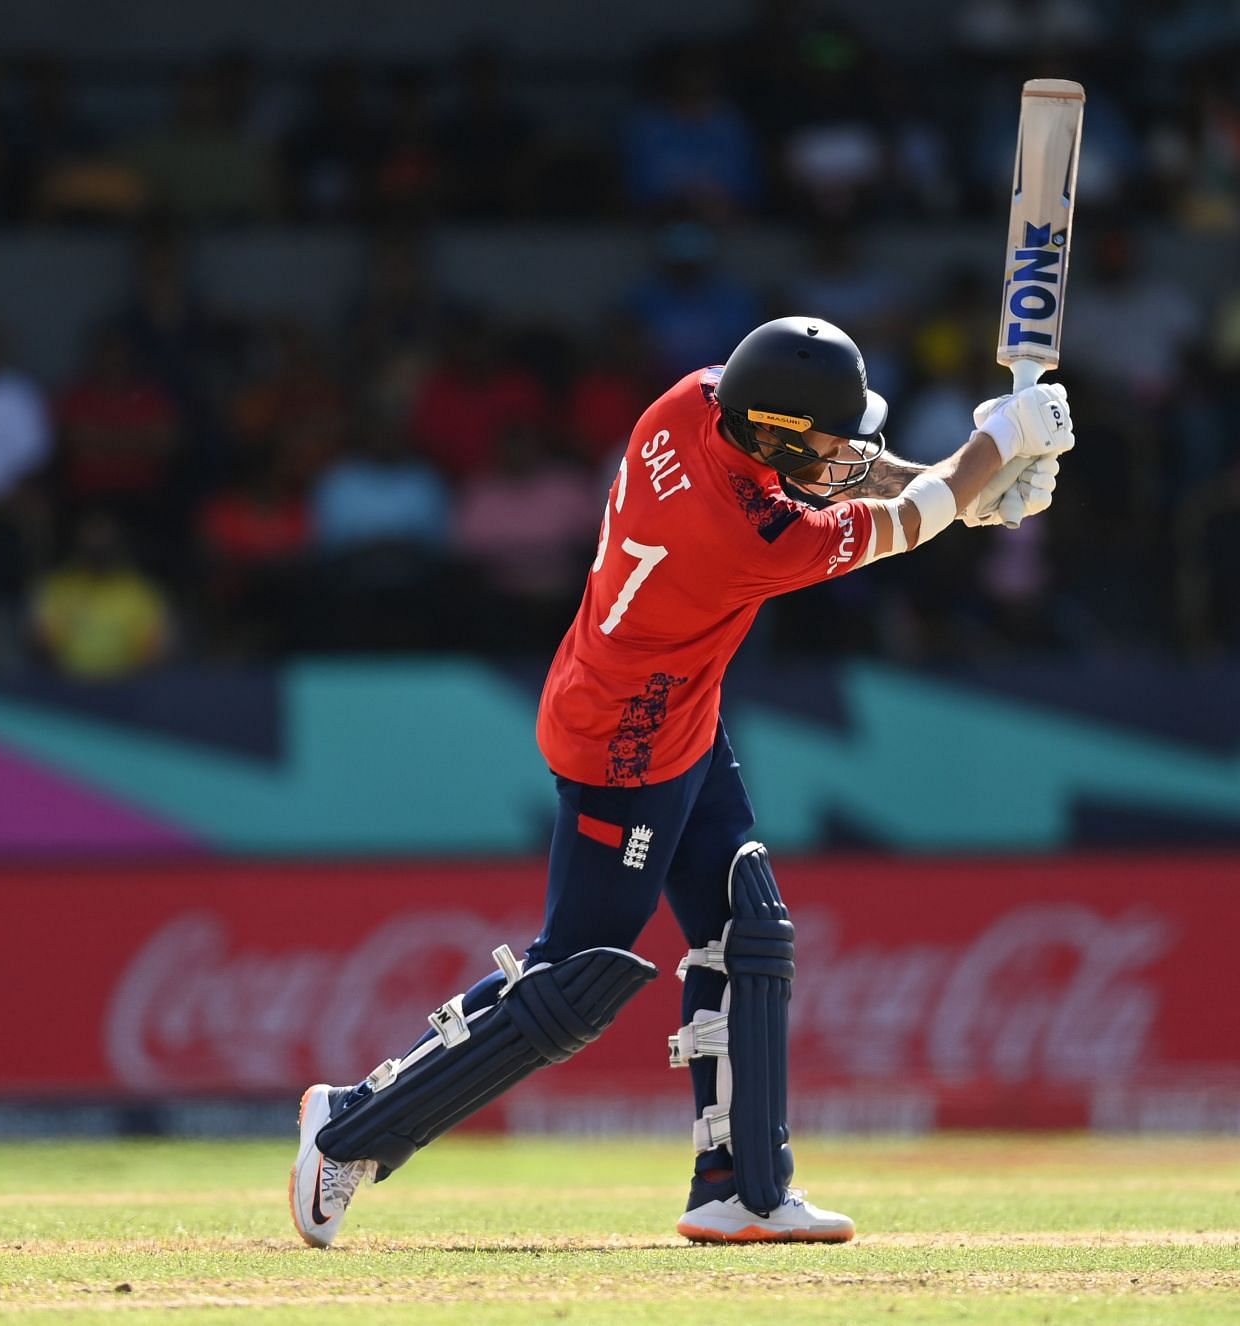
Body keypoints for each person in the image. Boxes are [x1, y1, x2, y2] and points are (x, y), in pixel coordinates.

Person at [289, 317, 1071, 1248]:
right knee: (575, 979)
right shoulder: (749, 534)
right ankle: (348, 1129)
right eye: (827, 431)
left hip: (671, 705)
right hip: (627, 741)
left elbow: (849, 472)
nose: (846, 444)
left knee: (750, 929)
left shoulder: (698, 399)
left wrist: (973, 482)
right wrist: (993, 451)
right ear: (774, 430)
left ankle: (742, 1188)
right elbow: (899, 525)